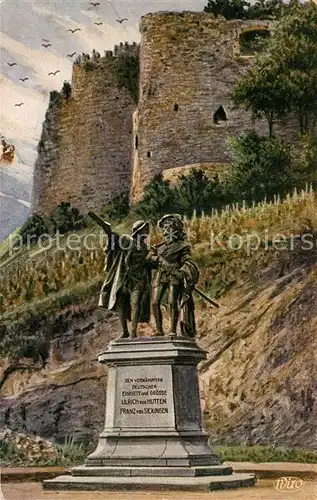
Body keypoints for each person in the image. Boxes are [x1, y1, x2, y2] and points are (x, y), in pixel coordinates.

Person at [96, 217, 152, 339]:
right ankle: (125, 331)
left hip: (138, 279)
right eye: (144, 230)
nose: (147, 233)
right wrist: (107, 229)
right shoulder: (126, 240)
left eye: (147, 230)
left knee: (135, 303)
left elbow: (145, 262)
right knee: (121, 304)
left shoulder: (145, 248)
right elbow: (113, 238)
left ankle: (133, 332)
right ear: (137, 231)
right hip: (124, 277)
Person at [151, 214, 199, 337]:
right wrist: (155, 259)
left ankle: (172, 329)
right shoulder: (159, 247)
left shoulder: (182, 246)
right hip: (161, 275)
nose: (166, 230)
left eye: (169, 227)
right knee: (155, 302)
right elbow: (148, 259)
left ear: (175, 229)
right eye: (165, 227)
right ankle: (159, 330)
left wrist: (183, 272)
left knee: (173, 302)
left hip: (174, 276)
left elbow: (187, 261)